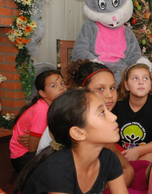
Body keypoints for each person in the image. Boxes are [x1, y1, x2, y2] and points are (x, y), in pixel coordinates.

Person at [36, 60, 135, 189]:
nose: (109, 95)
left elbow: (126, 168)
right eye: (100, 89)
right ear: (81, 92)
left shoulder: (105, 139)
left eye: (112, 88)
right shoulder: (67, 125)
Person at [14, 89, 129, 194]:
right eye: (102, 113)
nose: (113, 117)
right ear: (78, 133)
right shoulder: (58, 168)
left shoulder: (109, 158)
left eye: (107, 110)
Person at [9, 70, 66, 172]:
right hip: (23, 158)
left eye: (62, 83)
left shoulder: (54, 106)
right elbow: (33, 149)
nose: (61, 87)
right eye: (53, 86)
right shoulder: (42, 111)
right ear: (42, 93)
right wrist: (37, 138)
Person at [114, 63, 152, 162]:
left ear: (151, 84)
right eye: (135, 78)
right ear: (126, 85)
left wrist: (138, 151)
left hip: (148, 152)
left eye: (145, 78)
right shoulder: (118, 106)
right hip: (123, 154)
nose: (141, 82)